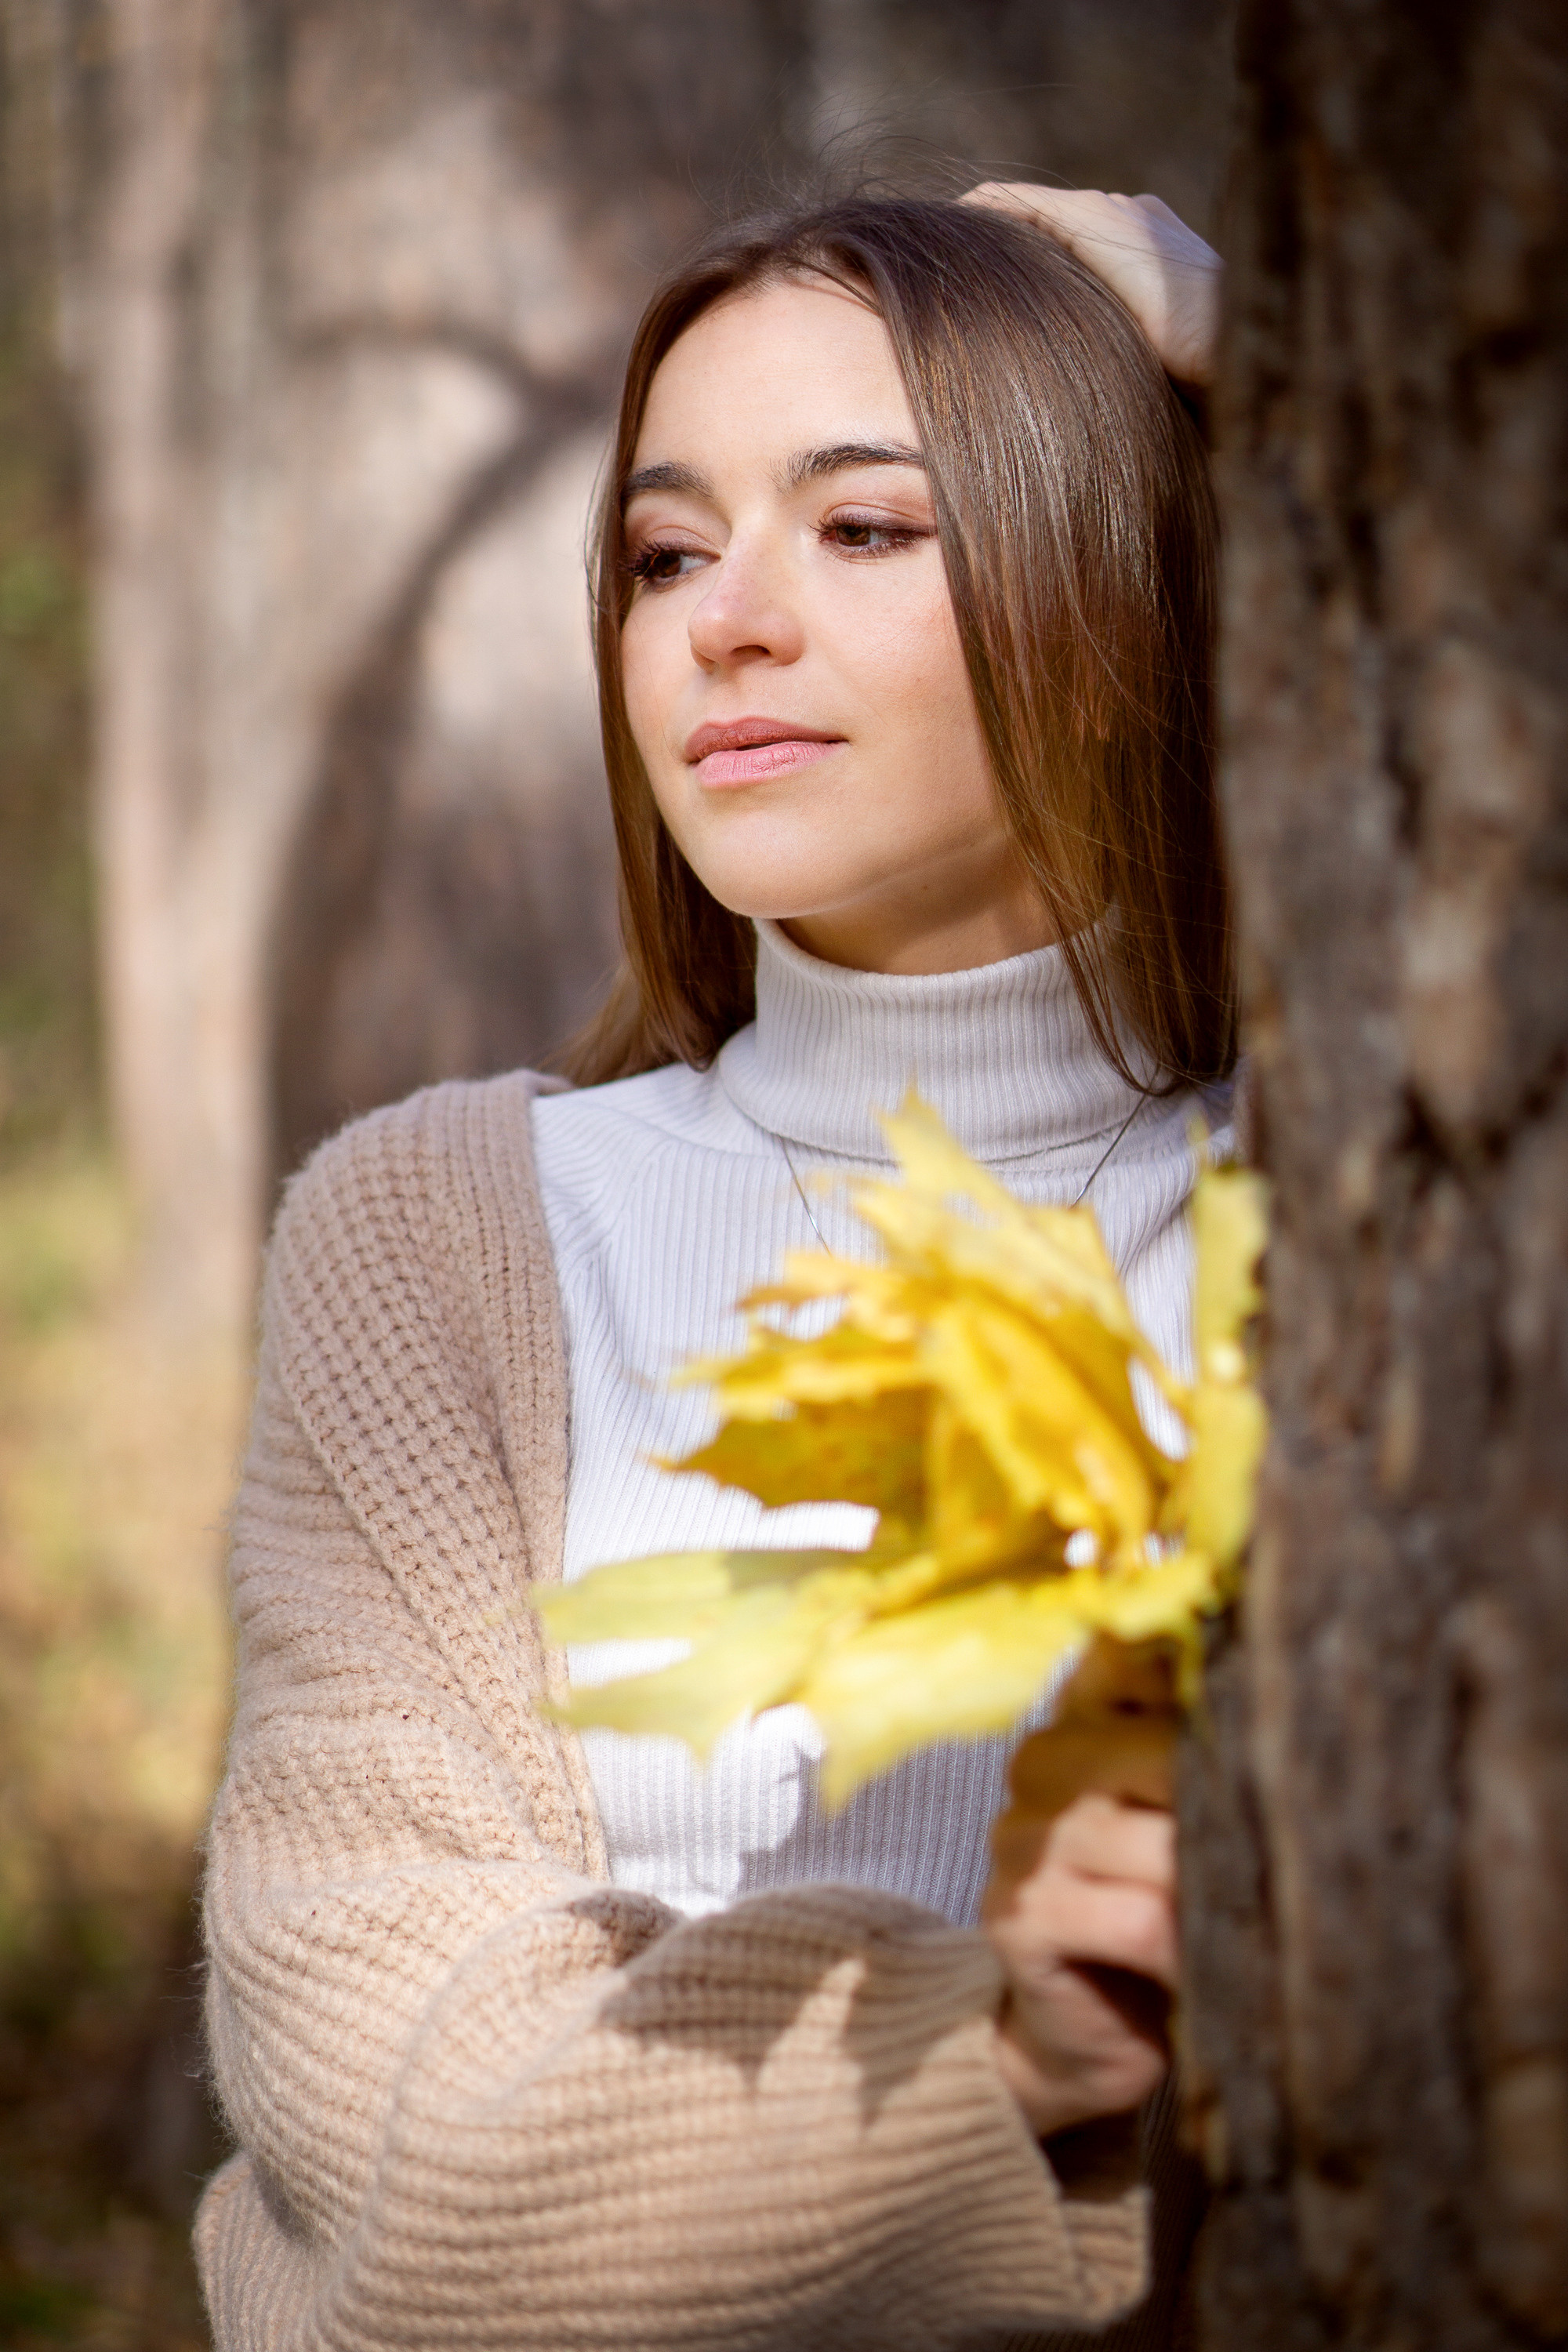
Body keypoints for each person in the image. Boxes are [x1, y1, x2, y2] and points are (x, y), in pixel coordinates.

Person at [195, 183, 1230, 2350]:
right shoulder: (442, 1240)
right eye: (667, 555)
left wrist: (1266, 360)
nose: (726, 622)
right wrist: (999, 2063)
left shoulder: (1379, 1217)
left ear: (1122, 573)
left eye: (868, 529)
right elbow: (408, 2188)